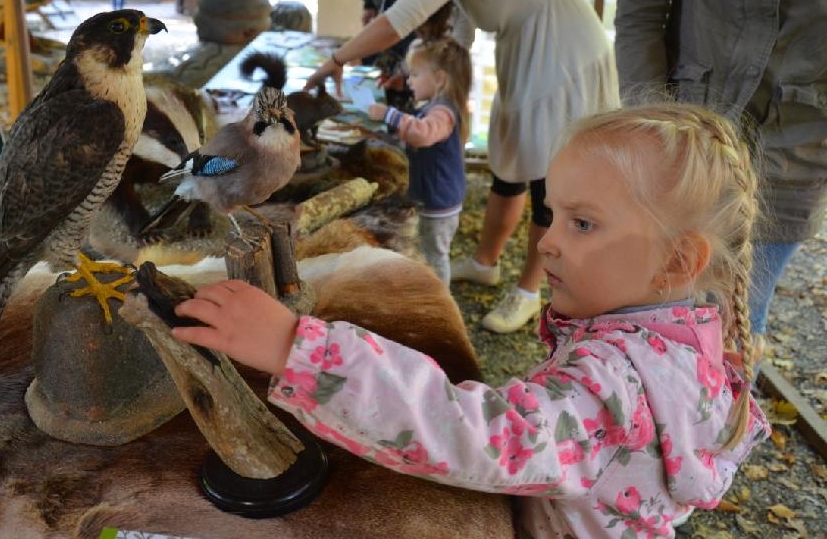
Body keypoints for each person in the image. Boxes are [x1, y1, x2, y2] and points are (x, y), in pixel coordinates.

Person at [170, 103, 771, 538]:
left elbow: (479, 435)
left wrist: (296, 348)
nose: (548, 244)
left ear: (677, 260)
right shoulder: (690, 333)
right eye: (552, 215)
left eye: (582, 224)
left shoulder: (613, 384)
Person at [305, 0, 619, 334]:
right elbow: (456, 42)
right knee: (510, 164)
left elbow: (397, 21)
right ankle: (485, 262)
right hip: (523, 56)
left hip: (562, 59)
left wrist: (338, 59)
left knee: (548, 182)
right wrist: (411, 76)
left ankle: (529, 290)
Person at [614, 1, 827, 361]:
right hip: (680, 138)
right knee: (642, 302)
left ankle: (726, 414)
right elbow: (641, 12)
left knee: (733, 327)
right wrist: (649, 121)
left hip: (794, 159)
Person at [367, 37, 472, 286]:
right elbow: (413, 131)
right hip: (431, 196)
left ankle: (439, 300)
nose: (409, 80)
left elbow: (422, 134)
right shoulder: (434, 106)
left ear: (439, 79)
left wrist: (389, 115)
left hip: (439, 202)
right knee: (426, 248)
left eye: (414, 74)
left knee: (435, 256)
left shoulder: (443, 112)